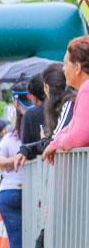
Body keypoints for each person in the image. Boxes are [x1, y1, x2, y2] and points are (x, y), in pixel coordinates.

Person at [43, 35, 89, 163]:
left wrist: (56, 143)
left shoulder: (86, 89)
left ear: (77, 68)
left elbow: (78, 138)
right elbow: (70, 128)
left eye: (66, 63)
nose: (63, 68)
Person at [0, 106, 23, 248]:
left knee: (16, 241)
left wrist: (9, 162)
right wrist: (19, 160)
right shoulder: (29, 138)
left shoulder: (9, 138)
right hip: (24, 191)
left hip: (7, 191)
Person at [22, 74, 47, 145]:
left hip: (37, 154)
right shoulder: (61, 108)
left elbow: (26, 143)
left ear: (33, 96)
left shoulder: (30, 114)